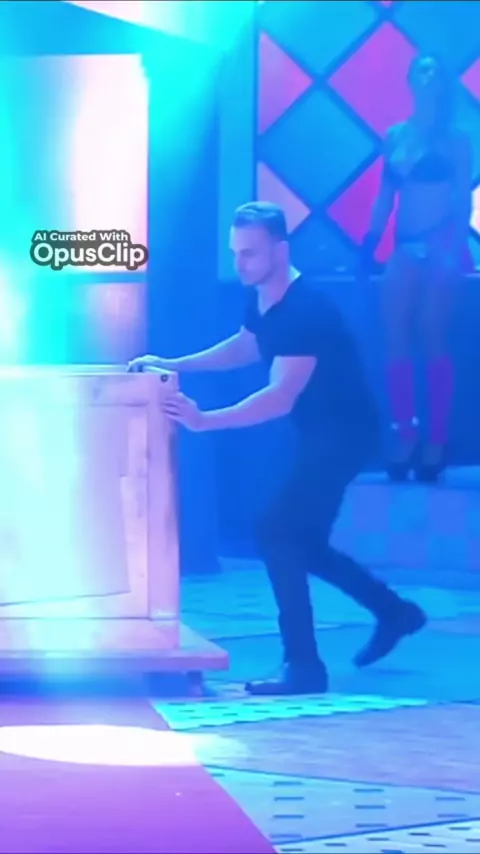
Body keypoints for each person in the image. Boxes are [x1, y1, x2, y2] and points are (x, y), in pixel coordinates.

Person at [129, 201, 426, 696]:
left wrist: (206, 421)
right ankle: (395, 612)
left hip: (345, 435)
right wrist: (175, 363)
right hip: (321, 432)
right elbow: (245, 346)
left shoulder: (305, 311)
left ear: (280, 250)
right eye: (236, 253)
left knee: (276, 530)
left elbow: (278, 397)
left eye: (249, 253)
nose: (240, 264)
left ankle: (304, 666)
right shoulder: (266, 298)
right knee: (303, 542)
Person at [361, 55, 473, 482]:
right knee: (394, 338)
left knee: (432, 334)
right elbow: (384, 197)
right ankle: (406, 435)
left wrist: (453, 249)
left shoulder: (457, 140)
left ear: (444, 84)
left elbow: (463, 200)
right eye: (421, 70)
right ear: (409, 80)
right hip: (405, 246)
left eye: (435, 71)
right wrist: (369, 243)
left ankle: (436, 440)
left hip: (441, 244)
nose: (428, 76)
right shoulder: (396, 136)